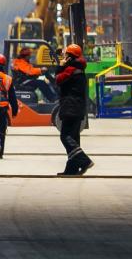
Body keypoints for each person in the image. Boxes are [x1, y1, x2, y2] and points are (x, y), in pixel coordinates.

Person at [55, 43, 93, 176]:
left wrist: (60, 66)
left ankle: (84, 160)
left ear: (70, 57)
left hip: (71, 107)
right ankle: (72, 169)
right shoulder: (77, 68)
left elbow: (58, 80)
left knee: (65, 136)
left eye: (66, 55)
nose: (64, 57)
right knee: (74, 138)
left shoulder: (70, 70)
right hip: (77, 107)